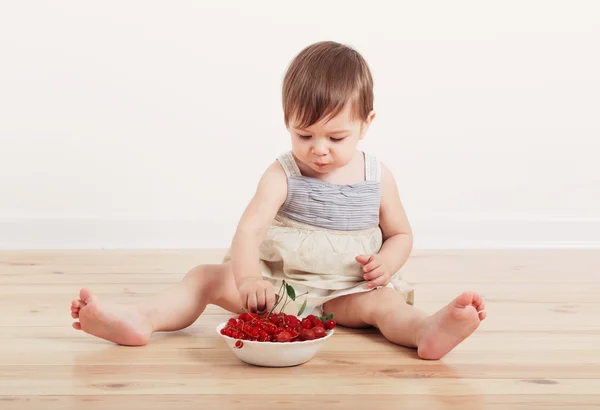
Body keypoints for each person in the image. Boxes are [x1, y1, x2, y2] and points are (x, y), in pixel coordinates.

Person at [70, 41, 486, 360]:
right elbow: (249, 230)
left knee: (386, 305)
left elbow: (401, 233)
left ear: (366, 124)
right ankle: (141, 320)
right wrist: (249, 280)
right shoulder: (283, 173)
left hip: (347, 293)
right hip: (278, 289)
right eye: (304, 135)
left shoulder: (377, 177)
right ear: (287, 122)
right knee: (203, 277)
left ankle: (425, 332)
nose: (318, 149)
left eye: (336, 137)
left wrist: (390, 262)